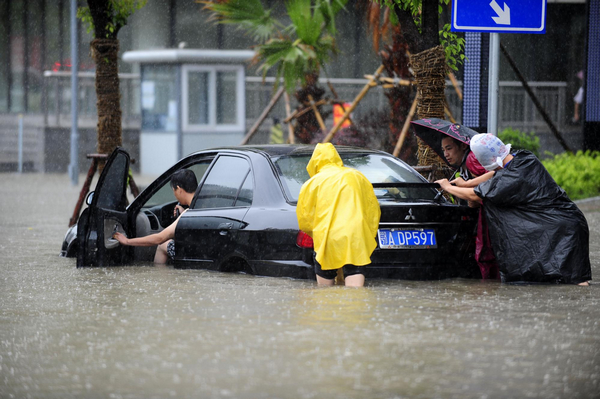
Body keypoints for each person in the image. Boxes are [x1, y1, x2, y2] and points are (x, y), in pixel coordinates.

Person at [435, 133, 592, 286]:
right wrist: (466, 183)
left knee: (576, 283)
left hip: (565, 234)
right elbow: (494, 174)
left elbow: (476, 196)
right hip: (569, 223)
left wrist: (447, 187)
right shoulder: (524, 158)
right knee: (562, 285)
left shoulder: (511, 179)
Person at [296, 143, 381, 287]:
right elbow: (373, 211)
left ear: (314, 162)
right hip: (355, 237)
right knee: (356, 295)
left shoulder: (311, 183)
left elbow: (305, 220)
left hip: (327, 239)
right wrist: (367, 235)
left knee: (325, 296)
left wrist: (317, 235)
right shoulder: (357, 176)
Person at [113, 169, 198, 264]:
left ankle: (161, 276)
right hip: (203, 251)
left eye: (174, 190)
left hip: (193, 254)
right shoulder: (202, 204)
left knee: (162, 245)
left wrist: (127, 241)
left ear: (179, 189)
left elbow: (159, 238)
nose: (175, 195)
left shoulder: (188, 213)